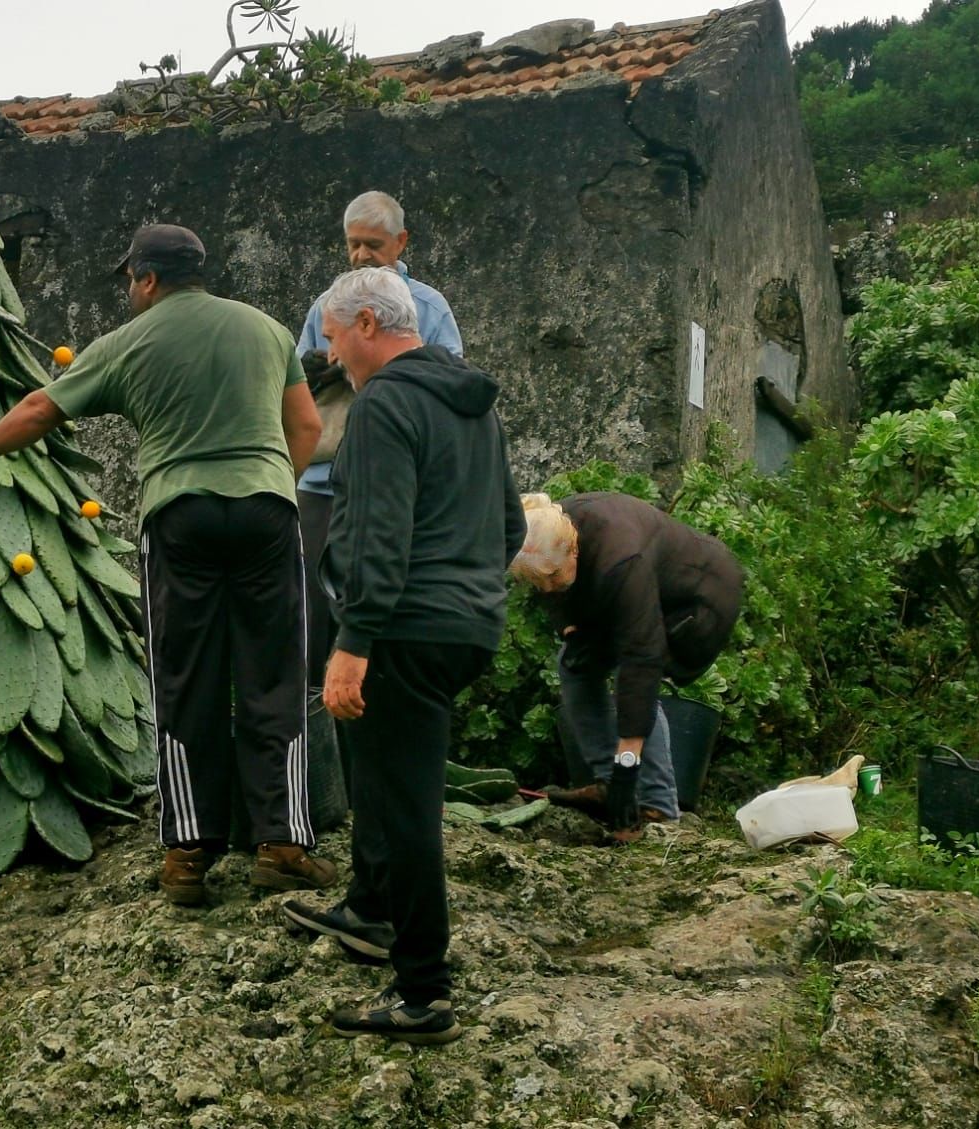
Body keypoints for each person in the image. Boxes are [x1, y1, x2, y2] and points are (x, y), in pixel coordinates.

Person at [0, 224, 336, 905]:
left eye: (130, 279)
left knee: (186, 678)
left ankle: (188, 855)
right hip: (267, 513)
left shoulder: (125, 344)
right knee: (275, 672)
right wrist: (268, 481)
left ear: (147, 278)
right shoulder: (267, 331)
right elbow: (306, 427)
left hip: (179, 517)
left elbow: (39, 410)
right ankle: (283, 843)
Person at [281, 267, 524, 1045]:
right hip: (462, 624)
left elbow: (378, 537)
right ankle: (372, 908)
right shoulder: (470, 404)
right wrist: (469, 588)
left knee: (406, 803)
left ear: (364, 323)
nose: (324, 349)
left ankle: (425, 990)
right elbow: (512, 527)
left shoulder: (385, 403)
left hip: (403, 628)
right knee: (377, 772)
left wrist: (353, 642)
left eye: (329, 330)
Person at [296, 190, 464, 686]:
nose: (362, 255)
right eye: (353, 244)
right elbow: (296, 384)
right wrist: (319, 367)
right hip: (324, 481)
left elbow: (447, 381)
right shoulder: (326, 305)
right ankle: (313, 726)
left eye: (373, 243)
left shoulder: (429, 307)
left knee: (384, 604)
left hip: (397, 480)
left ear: (401, 242)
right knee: (311, 613)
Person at [509, 492, 744, 840]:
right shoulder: (547, 526)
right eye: (537, 581)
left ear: (574, 549)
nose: (546, 587)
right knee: (574, 663)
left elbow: (641, 661)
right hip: (632, 589)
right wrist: (567, 621)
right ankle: (606, 786)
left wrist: (627, 767)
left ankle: (659, 807)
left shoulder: (621, 558)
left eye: (553, 576)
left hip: (699, 597)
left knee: (633, 676)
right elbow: (550, 583)